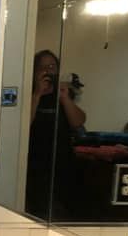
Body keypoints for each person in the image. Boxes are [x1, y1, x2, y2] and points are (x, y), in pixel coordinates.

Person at [25, 50, 86, 220]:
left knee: (65, 210)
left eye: (51, 66)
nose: (47, 71)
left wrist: (65, 98)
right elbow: (23, 124)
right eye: (42, 67)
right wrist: (37, 94)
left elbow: (78, 121)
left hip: (63, 161)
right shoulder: (29, 92)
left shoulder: (64, 94)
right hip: (35, 163)